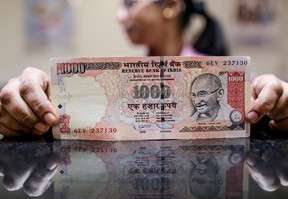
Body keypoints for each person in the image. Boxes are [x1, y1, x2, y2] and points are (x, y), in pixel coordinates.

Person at [0, 0, 287, 137]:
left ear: (171, 5)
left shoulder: (232, 86)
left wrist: (278, 105)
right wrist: (28, 102)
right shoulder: (115, 84)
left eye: (129, 3)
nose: (119, 15)